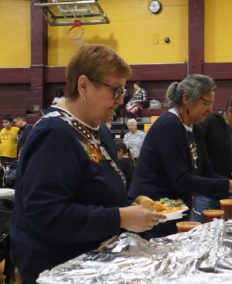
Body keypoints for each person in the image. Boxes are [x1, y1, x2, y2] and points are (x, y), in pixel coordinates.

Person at [10, 44, 165, 283]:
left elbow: (95, 191)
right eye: (115, 90)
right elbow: (44, 214)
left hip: (95, 261)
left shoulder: (99, 129)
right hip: (58, 269)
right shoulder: (54, 133)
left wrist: (131, 204)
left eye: (123, 90)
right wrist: (120, 217)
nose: (121, 100)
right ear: (83, 85)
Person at [128, 75, 232, 238]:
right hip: (153, 215)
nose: (210, 109)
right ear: (186, 99)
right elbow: (181, 179)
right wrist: (228, 186)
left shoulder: (196, 130)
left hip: (177, 214)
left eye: (211, 104)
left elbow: (205, 172)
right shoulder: (168, 125)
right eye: (205, 103)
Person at [191, 94, 232, 222]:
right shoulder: (209, 124)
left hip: (228, 196)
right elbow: (196, 160)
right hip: (206, 197)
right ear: (231, 111)